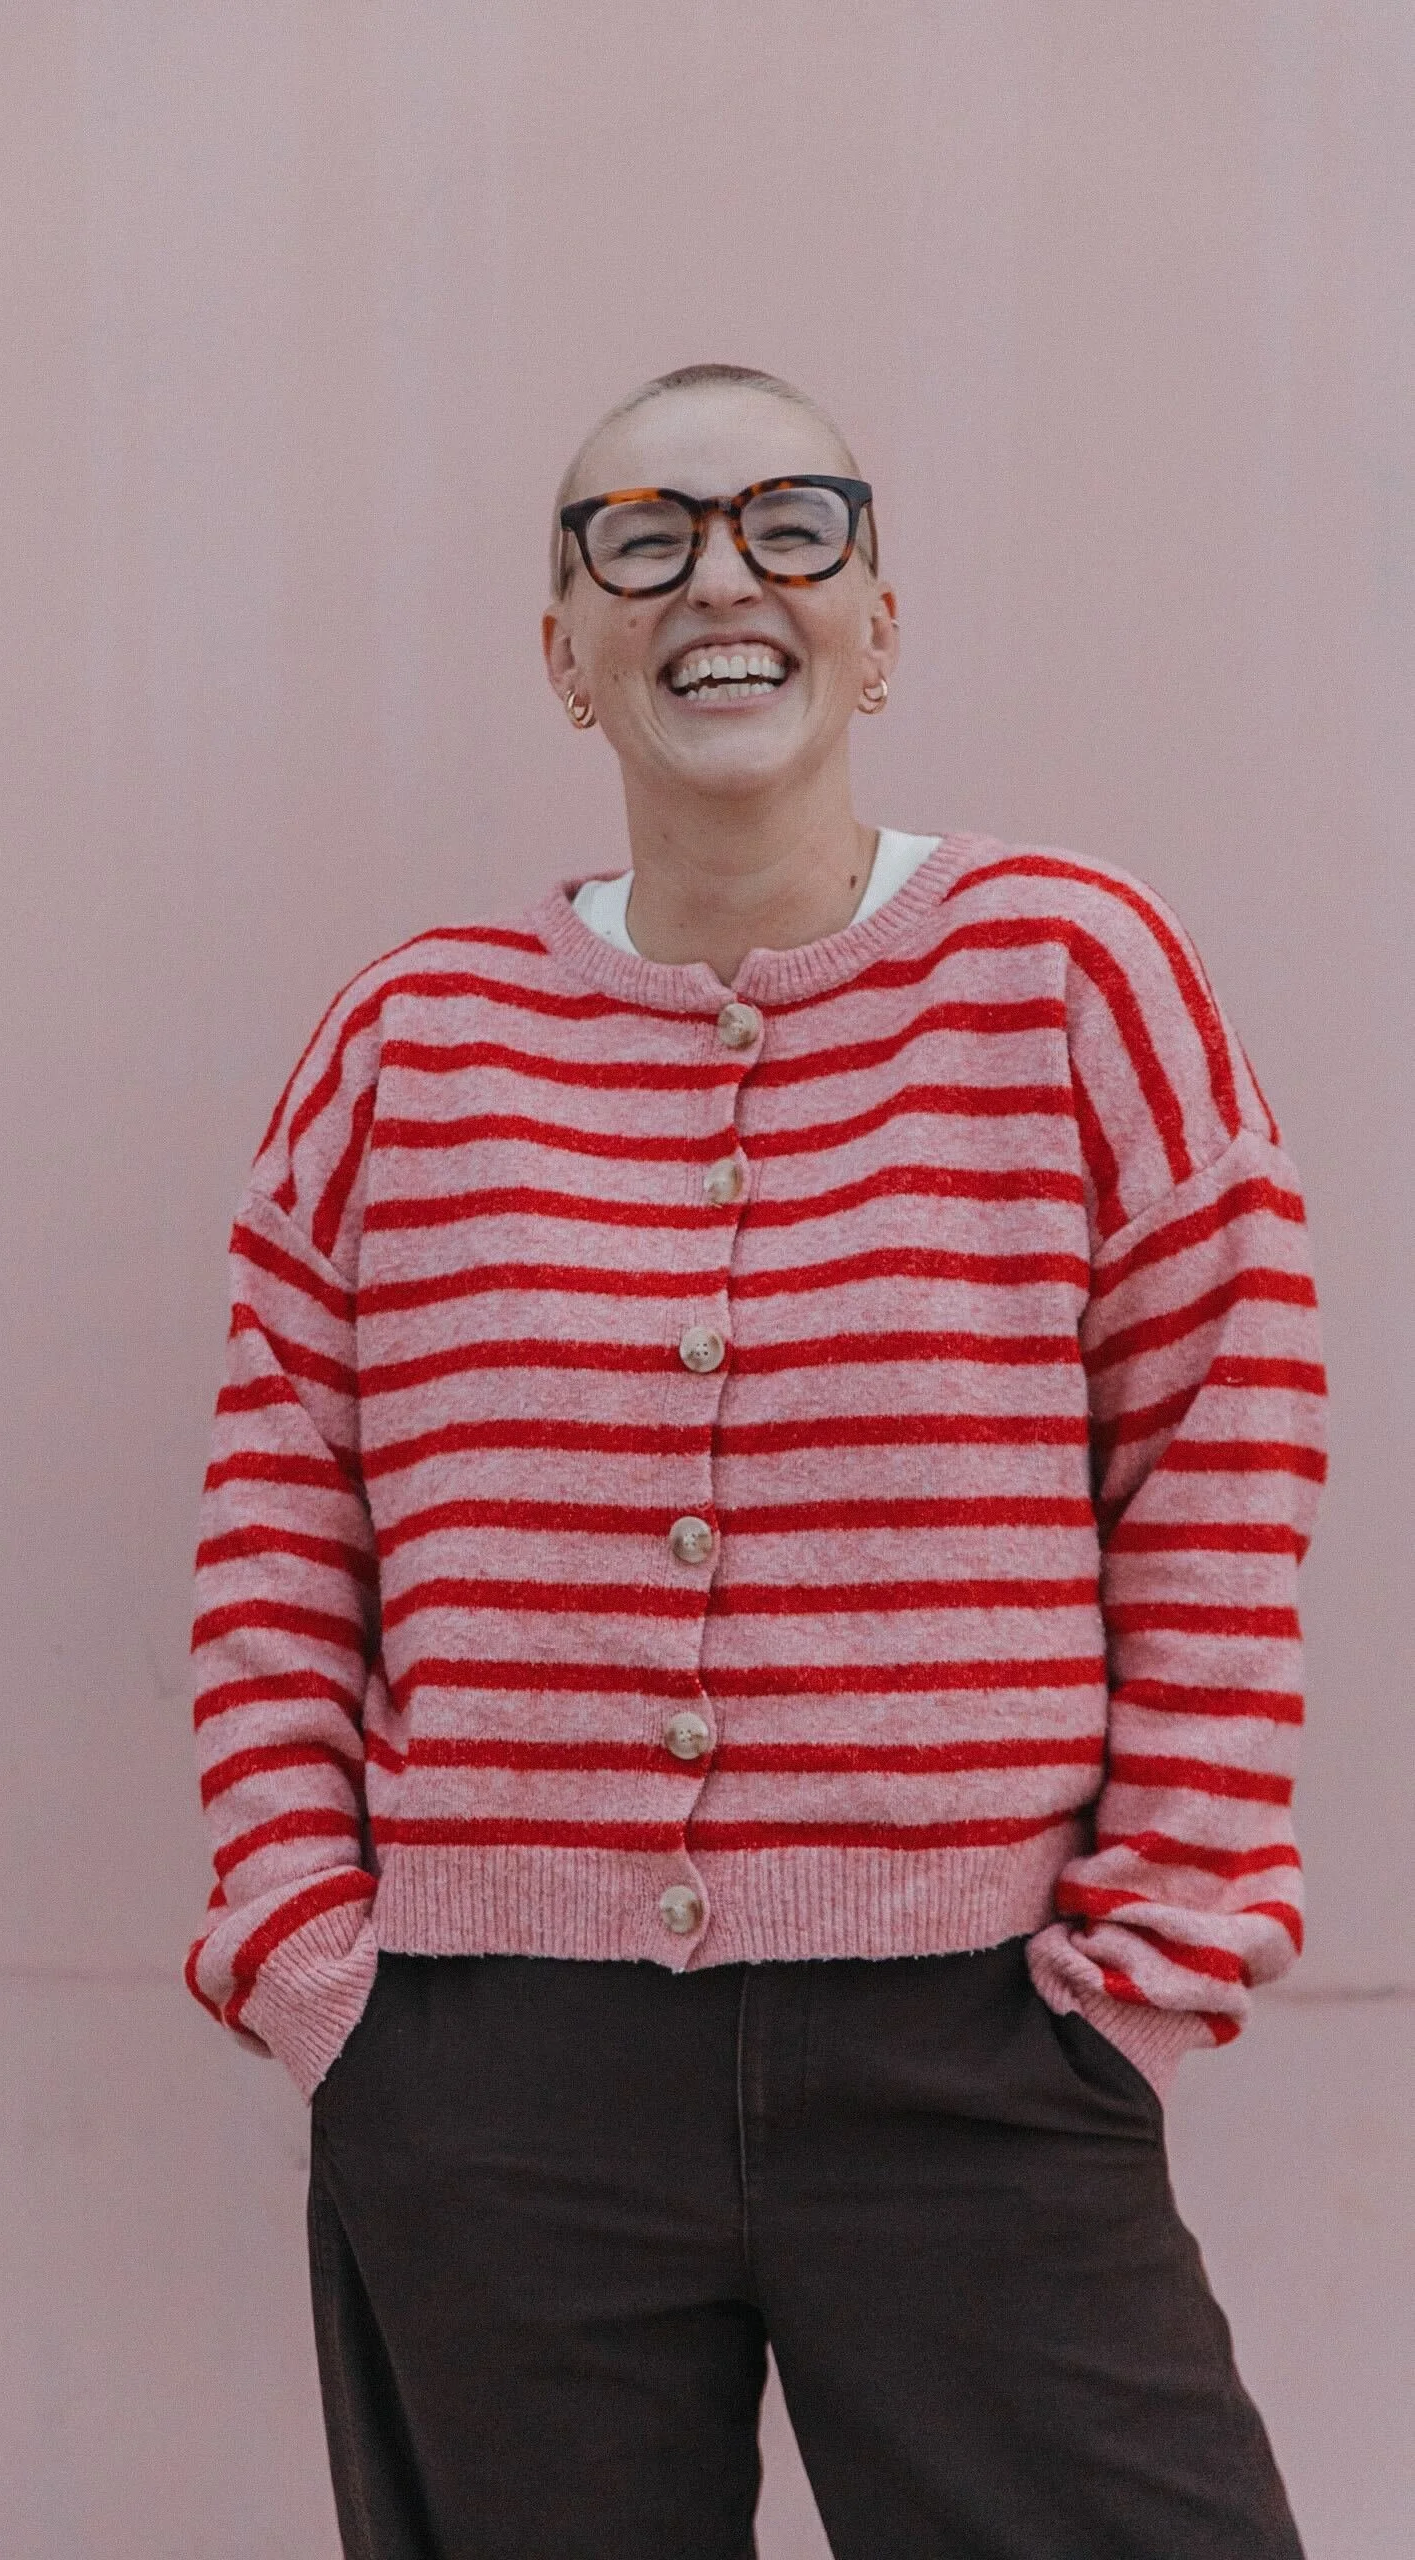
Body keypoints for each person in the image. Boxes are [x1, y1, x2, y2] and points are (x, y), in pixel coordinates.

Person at [185, 363, 1325, 2558]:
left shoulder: (1072, 973)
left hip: (974, 2050)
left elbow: (1218, 1442)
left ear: (877, 622)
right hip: (485, 2069)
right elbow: (276, 1503)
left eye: (791, 525)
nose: (722, 575)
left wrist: (1150, 1956)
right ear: (565, 650)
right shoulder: (408, 1044)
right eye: (641, 534)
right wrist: (317, 1967)